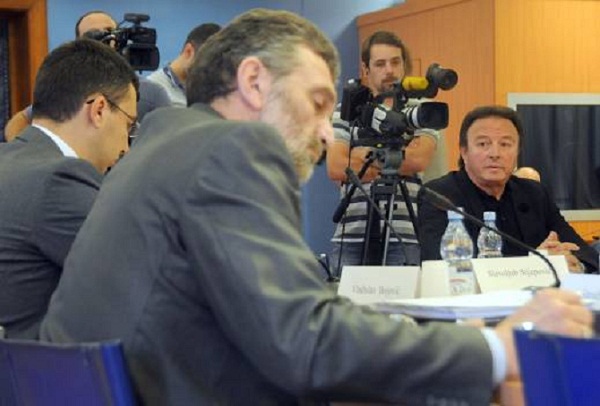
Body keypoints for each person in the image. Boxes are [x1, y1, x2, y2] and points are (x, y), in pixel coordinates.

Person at [40, 10, 592, 405]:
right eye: (317, 103)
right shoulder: (233, 149)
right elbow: (305, 341)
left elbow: (276, 321)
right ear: (254, 81)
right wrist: (495, 347)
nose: (327, 131)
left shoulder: (161, 143)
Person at [0, 39, 139, 339]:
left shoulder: (8, 158)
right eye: (128, 126)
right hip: (36, 365)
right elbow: (136, 277)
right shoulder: (59, 178)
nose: (126, 148)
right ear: (99, 109)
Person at [417, 105, 599, 273]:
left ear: (518, 151)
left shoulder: (534, 194)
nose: (495, 154)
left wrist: (576, 265)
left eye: (505, 144)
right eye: (483, 144)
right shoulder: (440, 195)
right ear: (464, 151)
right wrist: (537, 264)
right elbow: (440, 264)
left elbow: (586, 253)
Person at [326, 31, 439, 271]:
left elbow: (418, 160)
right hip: (352, 235)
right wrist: (396, 158)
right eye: (380, 64)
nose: (389, 70)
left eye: (395, 62)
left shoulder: (420, 112)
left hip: (405, 235)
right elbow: (336, 167)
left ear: (404, 65)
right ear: (366, 70)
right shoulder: (346, 112)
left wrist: (360, 157)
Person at [3, 10, 170, 142]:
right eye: (94, 35)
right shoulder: (66, 87)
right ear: (79, 44)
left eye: (110, 32)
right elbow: (21, 120)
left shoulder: (152, 93)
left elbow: (170, 141)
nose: (105, 40)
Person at [147, 23, 221, 106]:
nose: (212, 72)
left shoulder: (213, 92)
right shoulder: (151, 91)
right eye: (207, 65)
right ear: (188, 51)